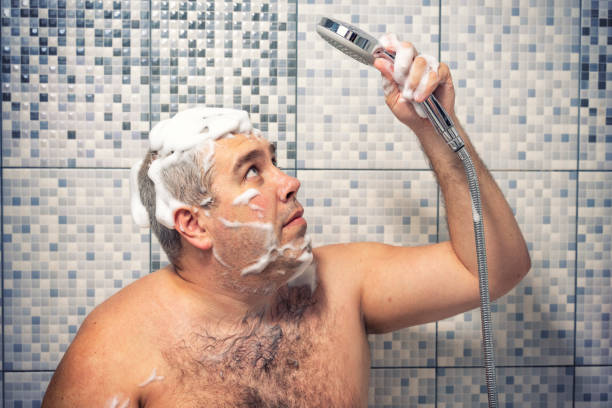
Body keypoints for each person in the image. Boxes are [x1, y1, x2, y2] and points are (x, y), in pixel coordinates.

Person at [42, 36, 530, 407]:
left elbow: (494, 269)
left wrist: (436, 126)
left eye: (273, 161)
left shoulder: (340, 284)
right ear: (193, 224)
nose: (290, 181)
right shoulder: (113, 351)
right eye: (253, 170)